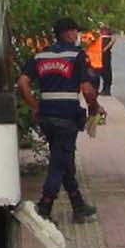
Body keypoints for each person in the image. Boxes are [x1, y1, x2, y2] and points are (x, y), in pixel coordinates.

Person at [19, 16, 104, 222]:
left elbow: (22, 82)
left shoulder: (41, 55)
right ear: (67, 33)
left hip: (47, 117)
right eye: (75, 31)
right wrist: (94, 107)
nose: (77, 35)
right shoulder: (76, 55)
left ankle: (78, 205)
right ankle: (44, 208)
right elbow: (86, 89)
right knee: (59, 163)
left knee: (64, 159)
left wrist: (35, 105)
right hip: (67, 117)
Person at [98, 25, 116, 96]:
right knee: (101, 71)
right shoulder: (100, 32)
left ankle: (107, 89)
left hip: (106, 53)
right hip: (100, 53)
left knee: (106, 71)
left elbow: (114, 39)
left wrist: (106, 48)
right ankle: (104, 88)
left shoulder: (109, 31)